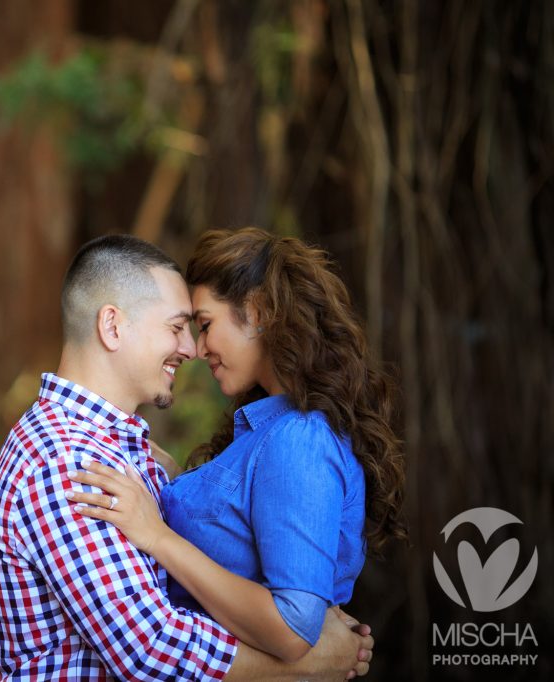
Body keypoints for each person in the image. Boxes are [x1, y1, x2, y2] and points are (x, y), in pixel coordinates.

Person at [0, 234, 374, 680]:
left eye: (199, 326)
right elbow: (150, 649)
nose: (190, 349)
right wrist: (316, 663)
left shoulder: (113, 451)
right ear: (112, 327)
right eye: (177, 327)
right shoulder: (65, 461)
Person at [67, 228, 405, 664]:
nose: (197, 347)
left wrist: (158, 537)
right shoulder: (270, 430)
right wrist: (169, 477)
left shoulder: (298, 439)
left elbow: (291, 629)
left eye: (205, 325)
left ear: (258, 310)